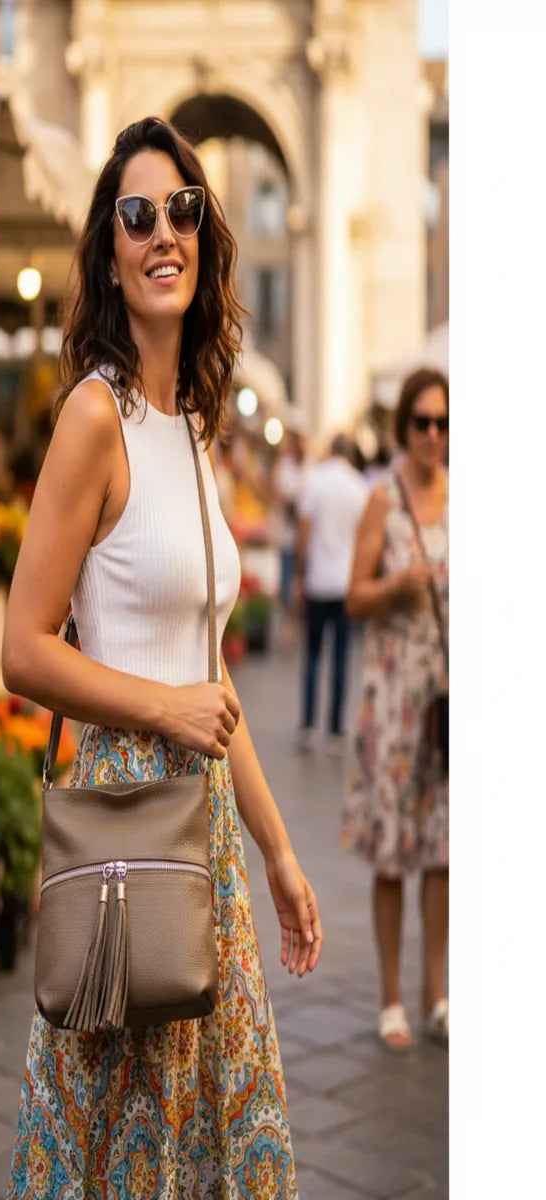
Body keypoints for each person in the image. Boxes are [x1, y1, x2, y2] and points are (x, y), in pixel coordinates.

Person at [0, 116, 322, 1199]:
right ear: (108, 250)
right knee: (122, 1144)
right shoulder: (94, 416)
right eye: (136, 216)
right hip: (126, 830)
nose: (162, 233)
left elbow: (211, 672)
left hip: (207, 845)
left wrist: (276, 852)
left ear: (204, 235)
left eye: (182, 210)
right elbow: (21, 648)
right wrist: (161, 712)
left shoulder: (188, 425)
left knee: (204, 1150)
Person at [341, 367, 449, 1051]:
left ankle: (436, 990)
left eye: (444, 423)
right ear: (402, 426)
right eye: (422, 422)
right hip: (392, 693)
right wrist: (395, 586)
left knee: (444, 848)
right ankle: (389, 996)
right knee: (391, 851)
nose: (434, 435)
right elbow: (351, 596)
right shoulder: (382, 500)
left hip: (446, 695)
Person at [293, 434, 368, 754]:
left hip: (318, 581)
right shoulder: (359, 487)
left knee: (312, 654)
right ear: (350, 455)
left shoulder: (316, 481)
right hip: (345, 583)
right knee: (340, 656)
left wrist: (299, 575)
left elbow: (304, 532)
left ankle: (309, 724)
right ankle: (335, 729)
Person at [273, 429, 309, 648]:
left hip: (303, 540)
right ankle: (289, 623)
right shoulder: (284, 467)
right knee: (287, 584)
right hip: (288, 537)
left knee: (302, 583)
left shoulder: (311, 469)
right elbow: (279, 494)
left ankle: (299, 622)